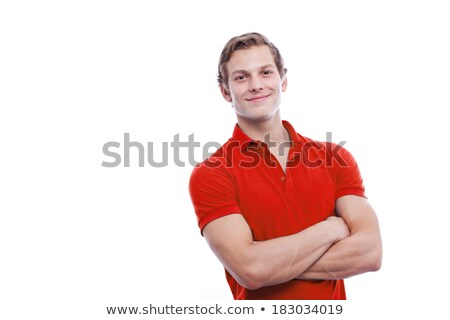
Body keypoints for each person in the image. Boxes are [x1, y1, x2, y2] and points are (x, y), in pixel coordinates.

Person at [189, 32, 382, 300]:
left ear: (284, 80)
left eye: (266, 72)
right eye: (241, 77)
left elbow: (369, 253)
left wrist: (272, 264)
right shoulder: (212, 173)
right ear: (225, 92)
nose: (256, 85)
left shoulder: (335, 158)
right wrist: (328, 230)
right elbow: (251, 271)